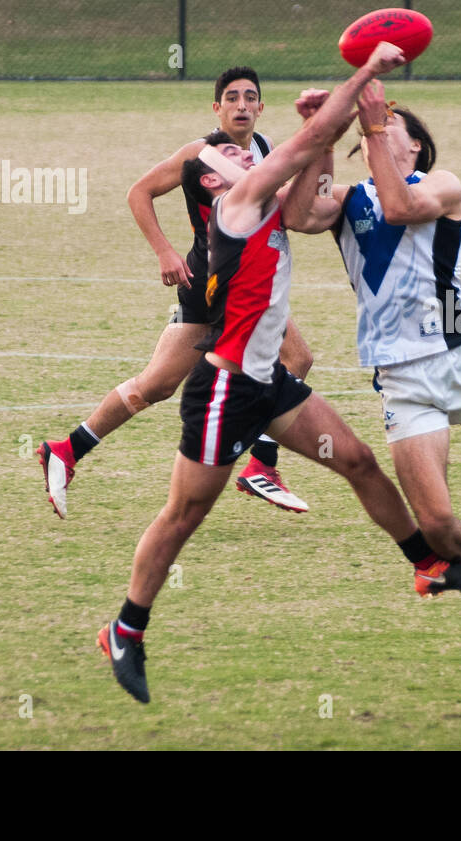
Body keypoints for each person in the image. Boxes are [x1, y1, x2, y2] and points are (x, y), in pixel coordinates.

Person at [97, 44, 461, 704]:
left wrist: (321, 134)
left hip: (268, 382)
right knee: (184, 514)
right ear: (219, 179)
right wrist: (367, 76)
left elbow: (305, 189)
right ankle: (126, 627)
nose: (242, 152)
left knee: (357, 461)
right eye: (231, 156)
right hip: (226, 389)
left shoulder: (267, 202)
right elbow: (312, 142)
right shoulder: (238, 205)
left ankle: (428, 563)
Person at [283, 82, 461, 636]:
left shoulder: (443, 186)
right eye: (368, 135)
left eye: (385, 127)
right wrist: (322, 135)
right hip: (403, 380)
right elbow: (299, 215)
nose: (372, 135)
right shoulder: (350, 200)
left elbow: (401, 208)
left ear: (416, 146)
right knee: (437, 521)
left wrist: (372, 124)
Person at [37, 67, 311, 519]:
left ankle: (66, 449)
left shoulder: (263, 150)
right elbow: (138, 192)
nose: (241, 105)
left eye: (250, 98)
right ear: (216, 107)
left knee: (156, 386)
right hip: (213, 284)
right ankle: (262, 466)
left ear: (261, 108)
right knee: (295, 357)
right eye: (232, 98)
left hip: (227, 287)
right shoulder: (198, 154)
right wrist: (164, 251)